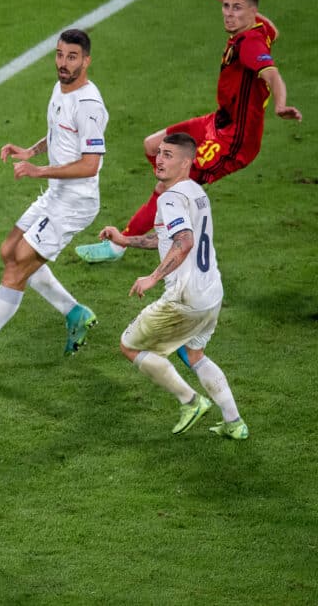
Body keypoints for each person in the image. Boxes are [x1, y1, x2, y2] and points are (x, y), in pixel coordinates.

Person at [77, 0, 302, 264]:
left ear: (252, 10)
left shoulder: (249, 44)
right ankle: (173, 199)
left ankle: (119, 245)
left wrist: (280, 104)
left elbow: (271, 74)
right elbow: (274, 31)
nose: (228, 13)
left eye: (237, 8)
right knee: (153, 145)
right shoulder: (258, 29)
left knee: (164, 185)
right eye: (226, 6)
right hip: (217, 121)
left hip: (233, 143)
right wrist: (245, 10)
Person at [0, 29, 106, 365]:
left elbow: (89, 164)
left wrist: (38, 169)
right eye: (59, 54)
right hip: (57, 194)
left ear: (86, 61)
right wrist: (32, 149)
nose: (63, 63)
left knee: (17, 268)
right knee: (9, 250)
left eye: (72, 57)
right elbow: (60, 131)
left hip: (75, 202)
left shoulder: (89, 105)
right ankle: (74, 312)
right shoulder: (61, 89)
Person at [97, 132, 247, 439]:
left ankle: (190, 402)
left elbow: (185, 241)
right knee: (196, 355)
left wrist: (152, 278)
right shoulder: (195, 192)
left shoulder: (171, 197)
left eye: (169, 155)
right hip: (211, 294)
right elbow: (167, 239)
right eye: (160, 153)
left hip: (185, 297)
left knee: (129, 345)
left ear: (186, 163)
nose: (160, 160)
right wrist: (126, 239)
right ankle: (235, 423)